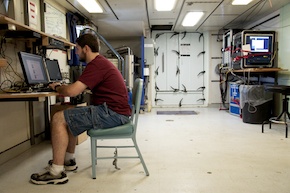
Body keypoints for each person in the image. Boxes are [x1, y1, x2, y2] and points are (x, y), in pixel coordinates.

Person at [30, 33, 131, 185]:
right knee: (68, 115)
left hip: (113, 114)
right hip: (115, 112)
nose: (76, 53)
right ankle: (68, 160)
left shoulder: (96, 64)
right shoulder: (99, 63)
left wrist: (58, 86)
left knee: (59, 117)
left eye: (77, 49)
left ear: (86, 48)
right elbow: (79, 88)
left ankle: (56, 172)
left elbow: (72, 92)